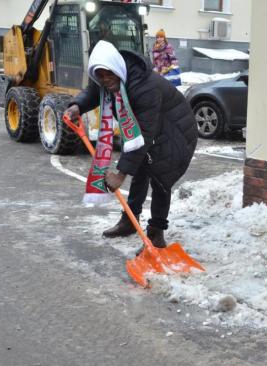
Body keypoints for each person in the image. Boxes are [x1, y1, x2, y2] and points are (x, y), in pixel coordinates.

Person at [64, 40, 197, 253]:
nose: (105, 80)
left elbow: (143, 134)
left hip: (175, 132)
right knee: (140, 170)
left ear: (117, 68)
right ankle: (129, 221)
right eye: (100, 75)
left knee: (161, 178)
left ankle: (156, 233)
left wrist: (120, 173)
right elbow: (92, 92)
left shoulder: (145, 87)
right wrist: (76, 106)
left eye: (109, 74)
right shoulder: (110, 78)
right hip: (148, 129)